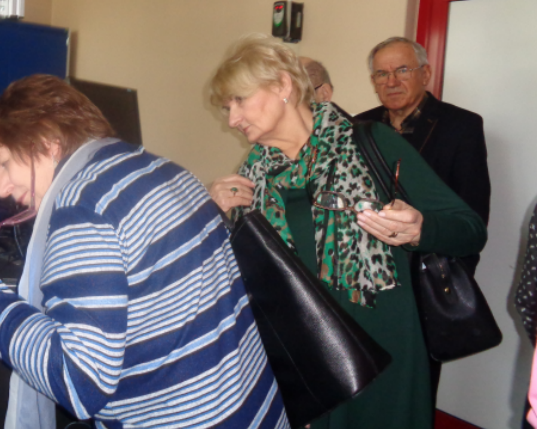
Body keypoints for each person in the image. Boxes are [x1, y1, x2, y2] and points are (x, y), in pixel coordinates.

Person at [0, 75, 289, 429]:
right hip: (256, 412)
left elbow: (78, 381)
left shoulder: (83, 205)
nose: (2, 188)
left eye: (4, 164)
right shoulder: (163, 168)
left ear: (47, 142)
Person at [207, 34, 486, 429]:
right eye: (226, 107)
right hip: (305, 355)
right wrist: (216, 216)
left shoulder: (371, 143)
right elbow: (244, 275)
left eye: (240, 100)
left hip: (383, 347)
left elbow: (470, 230)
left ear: (283, 85)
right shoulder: (253, 175)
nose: (232, 119)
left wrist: (420, 229)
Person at [354, 37, 490, 230]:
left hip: (428, 242)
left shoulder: (461, 126)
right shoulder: (358, 126)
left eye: (402, 71)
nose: (391, 82)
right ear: (373, 82)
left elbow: (473, 212)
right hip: (365, 240)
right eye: (382, 74)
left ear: (425, 74)